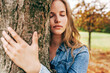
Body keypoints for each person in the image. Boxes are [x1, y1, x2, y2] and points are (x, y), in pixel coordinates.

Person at [1, 0, 89, 73]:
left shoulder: (80, 52)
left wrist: (37, 69)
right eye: (51, 15)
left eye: (62, 14)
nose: (57, 20)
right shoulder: (38, 44)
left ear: (68, 18)